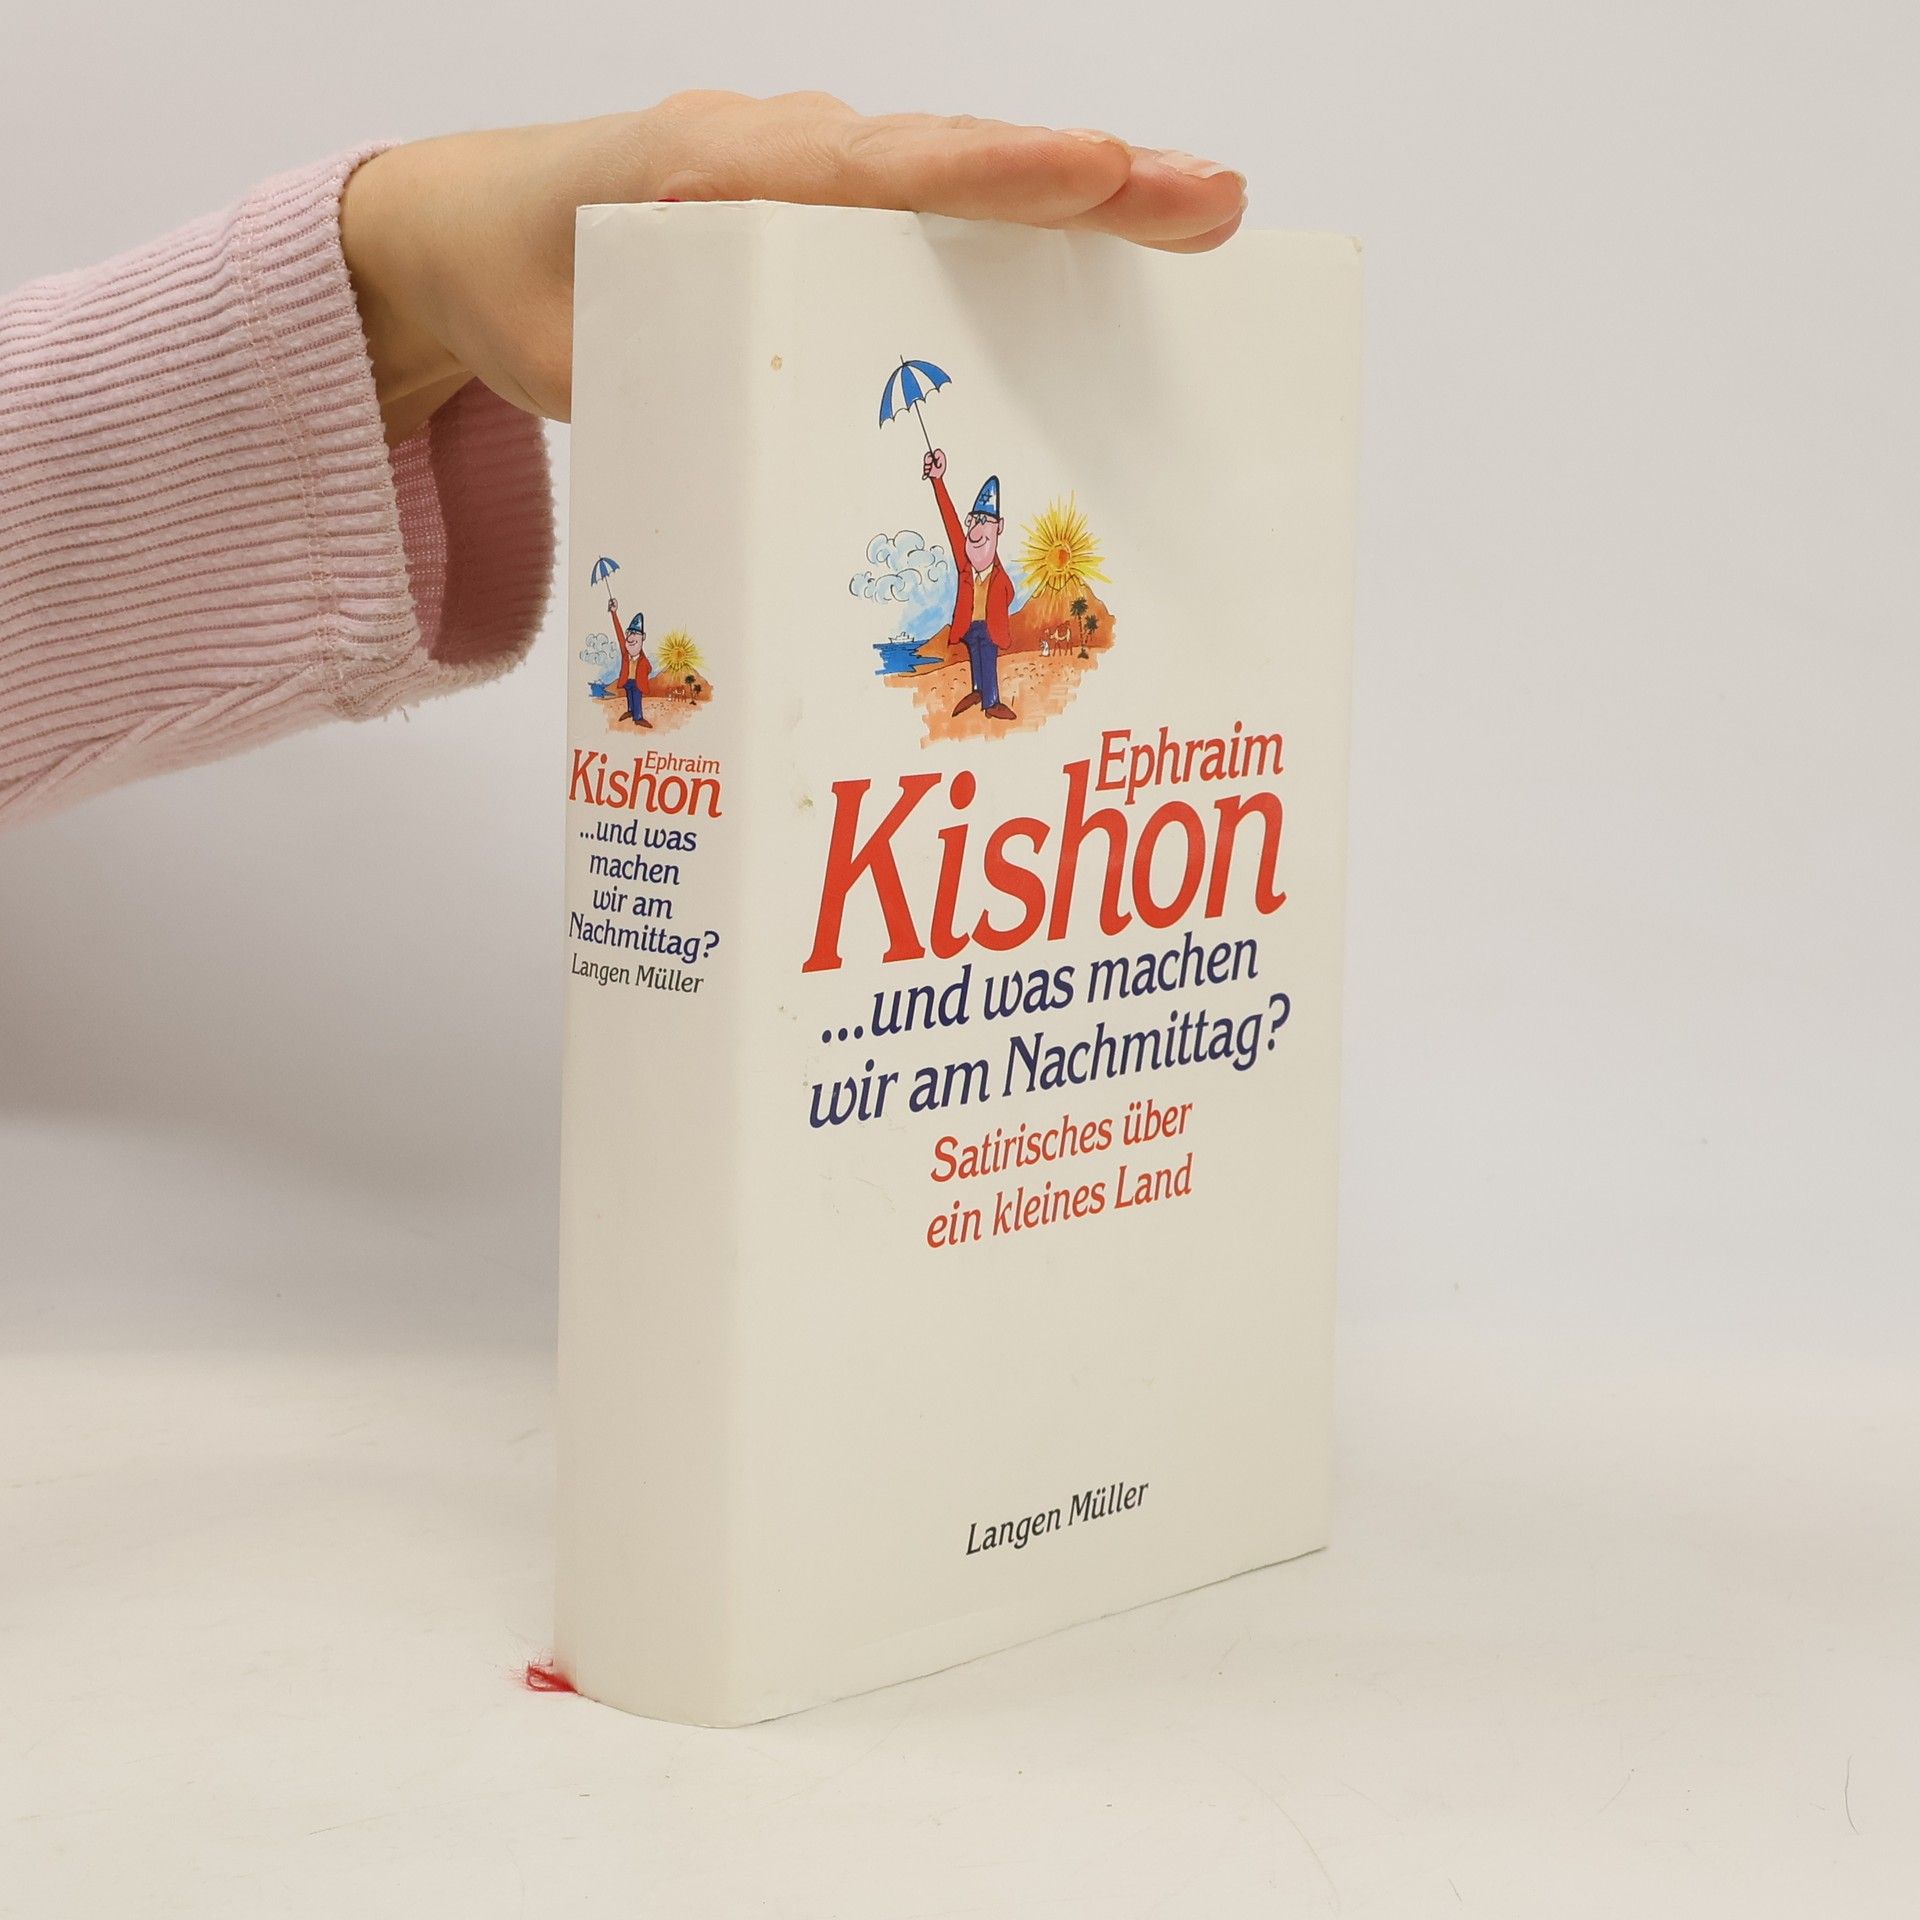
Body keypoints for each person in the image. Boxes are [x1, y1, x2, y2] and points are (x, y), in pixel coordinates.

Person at [0, 96, 1245, 826]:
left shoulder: (989, 550)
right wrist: (377, 292)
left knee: (976, 640)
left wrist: (388, 280)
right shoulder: (963, 542)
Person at [924, 449, 1016, 720]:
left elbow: (1009, 592)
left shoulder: (996, 573)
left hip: (989, 626)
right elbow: (951, 523)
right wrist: (938, 480)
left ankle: (991, 702)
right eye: (973, 521)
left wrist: (995, 607)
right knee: (976, 657)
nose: (975, 529)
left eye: (984, 521)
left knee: (987, 658)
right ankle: (977, 691)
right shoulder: (965, 564)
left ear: (998, 527)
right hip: (970, 625)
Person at [605, 596, 653, 728]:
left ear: (642, 637)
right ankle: (630, 711)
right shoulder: (625, 652)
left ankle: (638, 717)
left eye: (635, 634)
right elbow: (619, 633)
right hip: (628, 680)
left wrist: (642, 673)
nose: (631, 637)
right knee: (630, 697)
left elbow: (649, 668)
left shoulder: (642, 658)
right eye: (629, 633)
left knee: (636, 698)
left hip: (637, 682)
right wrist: (614, 613)